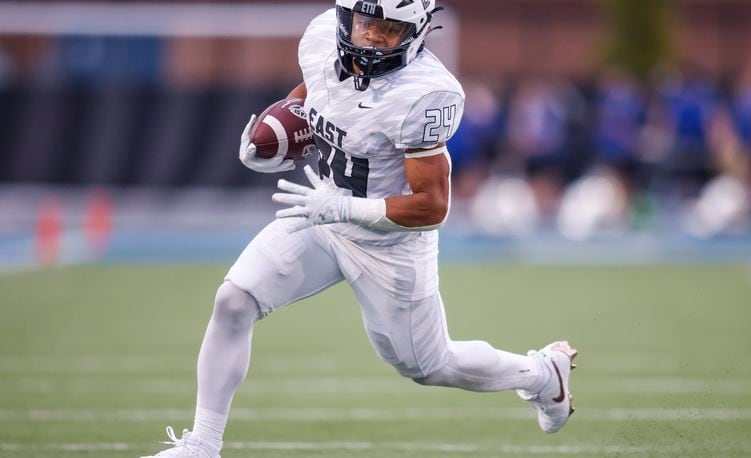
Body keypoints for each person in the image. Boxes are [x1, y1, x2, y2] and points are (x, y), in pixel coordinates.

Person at [142, 1, 577, 456]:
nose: (372, 37)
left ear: (417, 33)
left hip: (389, 241)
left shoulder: (425, 93)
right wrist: (280, 135)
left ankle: (543, 375)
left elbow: (433, 206)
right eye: (367, 24)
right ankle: (202, 446)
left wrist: (348, 209)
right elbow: (318, 92)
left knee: (428, 365)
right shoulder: (320, 37)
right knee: (234, 300)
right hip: (321, 209)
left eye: (389, 30)